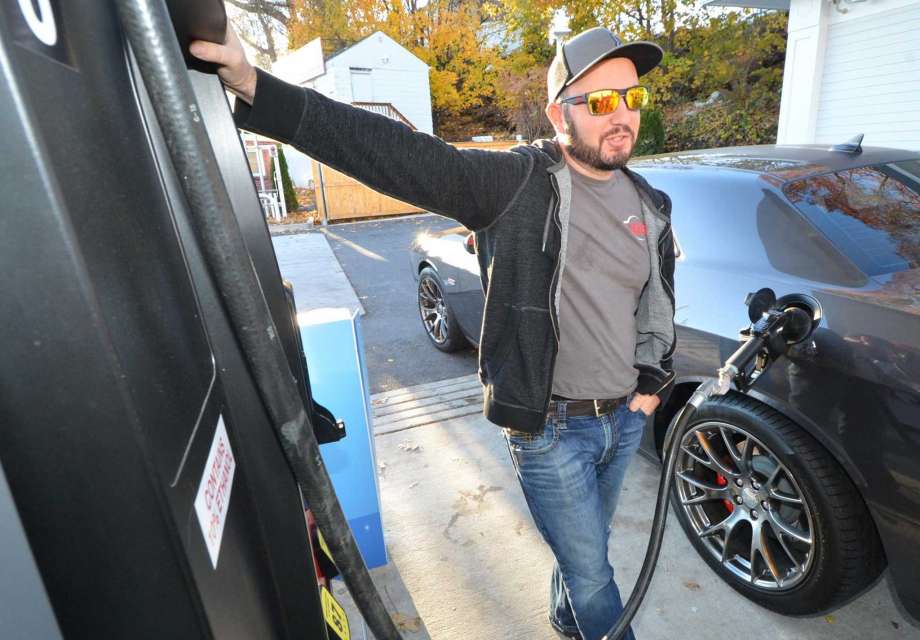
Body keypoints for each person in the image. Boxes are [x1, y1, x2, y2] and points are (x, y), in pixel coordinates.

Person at [191, 24, 675, 640]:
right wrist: (259, 87)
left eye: (632, 99)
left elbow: (657, 302)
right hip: (552, 432)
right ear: (559, 114)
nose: (622, 117)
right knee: (596, 581)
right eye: (601, 101)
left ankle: (563, 615)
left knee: (586, 551)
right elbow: (402, 155)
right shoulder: (519, 185)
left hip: (625, 420)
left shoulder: (652, 202)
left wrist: (651, 383)